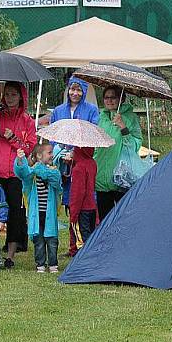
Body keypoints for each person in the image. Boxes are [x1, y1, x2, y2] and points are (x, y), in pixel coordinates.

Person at [0, 81, 36, 269]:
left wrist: (13, 138)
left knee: (15, 214)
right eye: (7, 94)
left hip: (15, 174)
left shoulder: (27, 120)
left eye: (14, 94)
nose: (10, 98)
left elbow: (29, 148)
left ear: (21, 97)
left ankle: (11, 255)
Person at [50, 76, 99, 256]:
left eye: (79, 90)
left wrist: (76, 153)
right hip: (64, 166)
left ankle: (84, 245)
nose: (75, 93)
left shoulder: (92, 111)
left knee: (84, 205)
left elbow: (92, 136)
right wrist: (60, 154)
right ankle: (73, 246)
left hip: (81, 166)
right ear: (67, 90)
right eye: (72, 89)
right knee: (71, 205)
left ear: (84, 91)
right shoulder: (58, 111)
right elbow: (53, 136)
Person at [95, 85, 143, 220]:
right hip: (101, 178)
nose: (109, 100)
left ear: (121, 99)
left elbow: (135, 144)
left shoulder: (130, 117)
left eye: (113, 97)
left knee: (123, 219)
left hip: (121, 178)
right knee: (105, 220)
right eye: (106, 97)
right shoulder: (101, 118)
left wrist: (123, 126)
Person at [15, 143, 62, 273]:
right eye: (49, 152)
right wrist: (20, 160)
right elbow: (22, 173)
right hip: (37, 214)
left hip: (49, 214)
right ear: (39, 156)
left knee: (52, 240)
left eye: (52, 152)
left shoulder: (54, 170)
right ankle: (40, 264)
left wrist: (42, 169)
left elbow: (56, 180)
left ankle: (53, 264)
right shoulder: (32, 173)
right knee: (39, 241)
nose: (52, 155)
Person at [69, 145, 98, 251]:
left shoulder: (79, 168)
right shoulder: (92, 163)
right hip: (92, 206)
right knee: (90, 235)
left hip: (82, 208)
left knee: (81, 238)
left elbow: (78, 193)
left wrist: (73, 212)